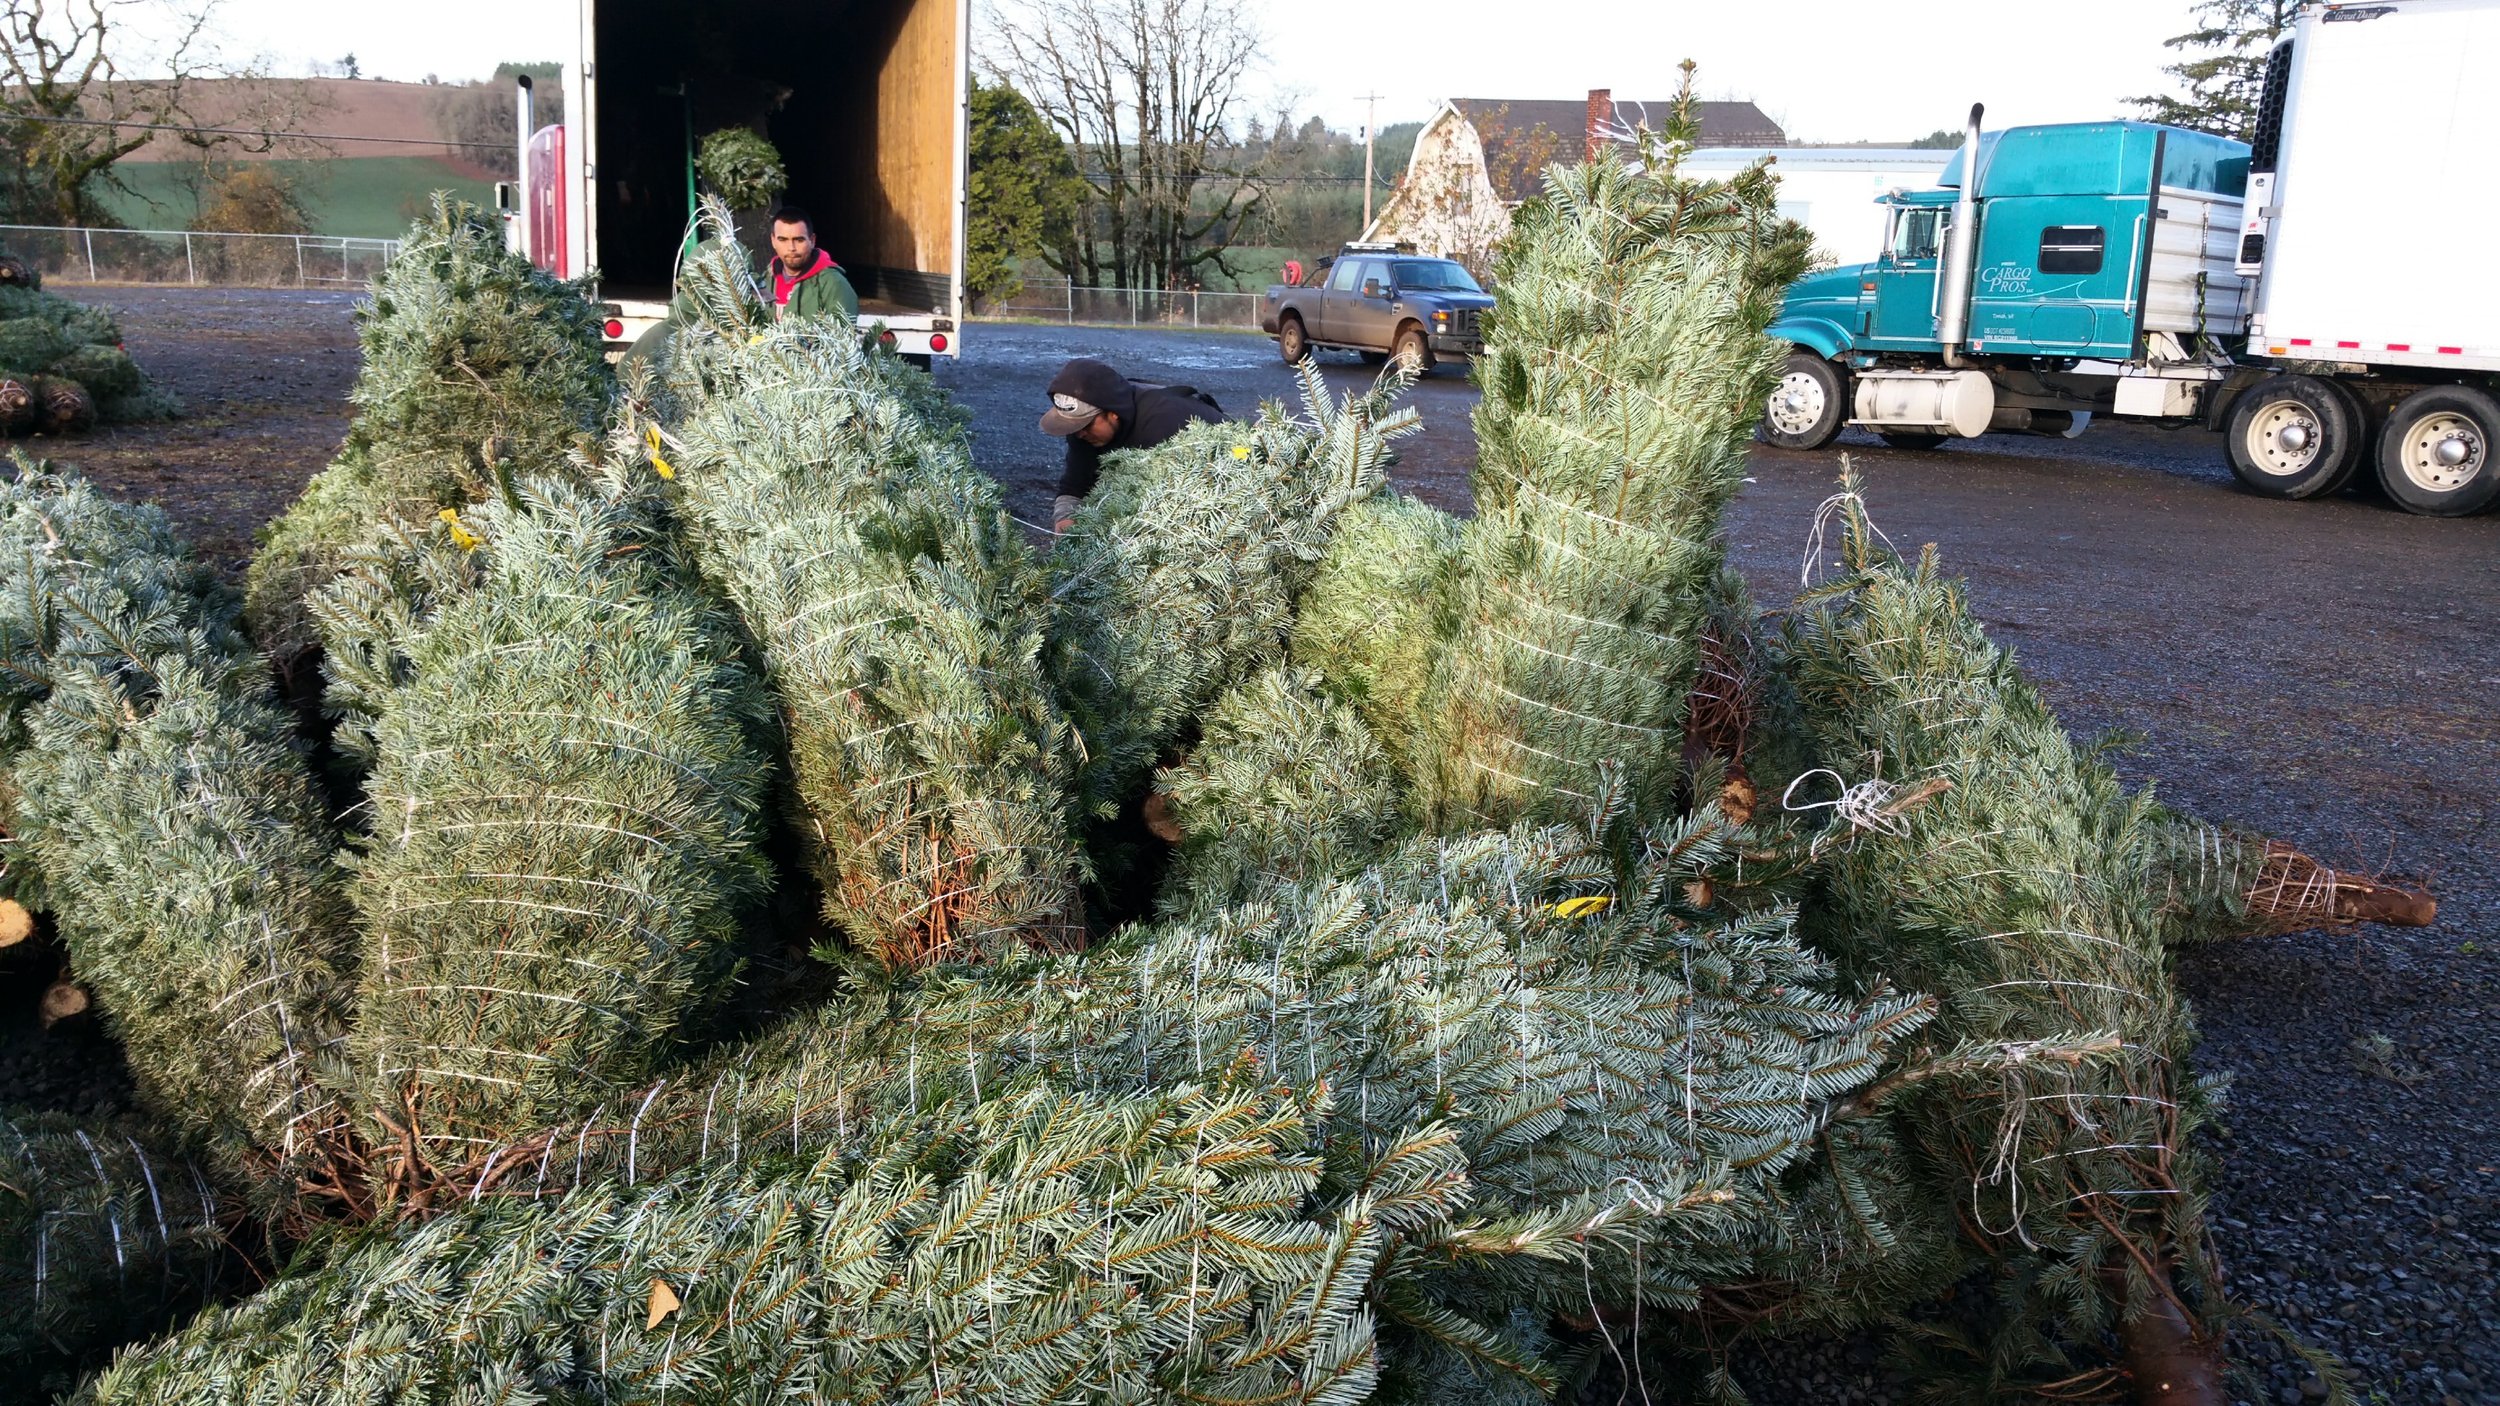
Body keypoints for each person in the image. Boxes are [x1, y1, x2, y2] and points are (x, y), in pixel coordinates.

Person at [1038, 357, 1223, 531]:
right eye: (1074, 426)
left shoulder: (1164, 424)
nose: (1079, 433)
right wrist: (1065, 517)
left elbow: (1179, 503)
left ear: (1113, 413)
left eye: (1085, 424)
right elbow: (1074, 484)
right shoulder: (1082, 431)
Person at [762, 204, 859, 325]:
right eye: (783, 239)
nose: (791, 248)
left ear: (812, 241)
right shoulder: (766, 279)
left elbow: (843, 339)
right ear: (773, 241)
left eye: (799, 240)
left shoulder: (834, 283)